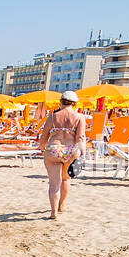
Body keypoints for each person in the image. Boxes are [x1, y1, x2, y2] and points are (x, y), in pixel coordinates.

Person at [37, 90, 86, 220]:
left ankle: (53, 213)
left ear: (61, 102)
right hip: (71, 150)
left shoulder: (52, 117)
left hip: (54, 149)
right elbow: (80, 137)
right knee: (65, 179)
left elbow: (44, 137)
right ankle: (62, 205)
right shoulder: (79, 117)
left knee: (54, 183)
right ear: (75, 104)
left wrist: (42, 147)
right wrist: (82, 154)